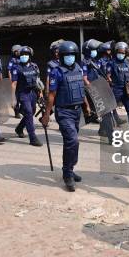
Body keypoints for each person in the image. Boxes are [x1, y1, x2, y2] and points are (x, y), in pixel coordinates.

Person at [42, 41, 85, 191]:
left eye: (72, 55)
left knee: (72, 144)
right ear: (61, 57)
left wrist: (87, 107)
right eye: (67, 55)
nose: (70, 58)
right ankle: (67, 175)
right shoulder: (56, 72)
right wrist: (47, 114)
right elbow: (51, 95)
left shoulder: (79, 69)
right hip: (64, 111)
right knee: (73, 141)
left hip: (77, 111)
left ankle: (70, 169)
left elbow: (82, 89)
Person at [11, 46, 43, 146]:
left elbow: (38, 80)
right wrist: (12, 98)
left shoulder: (34, 66)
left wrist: (40, 92)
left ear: (30, 56)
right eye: (22, 55)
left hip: (33, 93)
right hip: (22, 93)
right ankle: (32, 137)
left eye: (26, 55)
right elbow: (14, 83)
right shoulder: (16, 67)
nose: (24, 56)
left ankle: (19, 128)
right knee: (29, 112)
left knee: (32, 111)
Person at [8, 44, 22, 118]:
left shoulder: (22, 59)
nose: (18, 53)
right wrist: (10, 80)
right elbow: (9, 70)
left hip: (21, 80)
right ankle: (16, 112)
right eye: (16, 51)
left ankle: (22, 110)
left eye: (19, 51)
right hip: (14, 80)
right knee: (15, 96)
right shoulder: (12, 60)